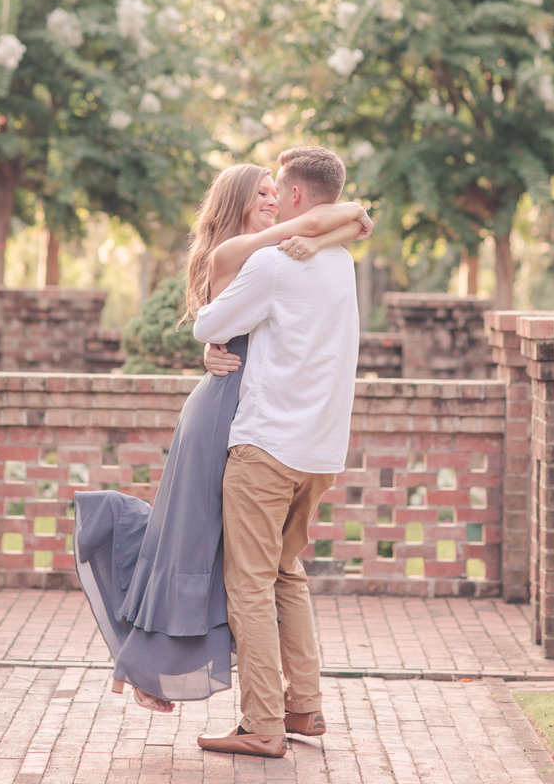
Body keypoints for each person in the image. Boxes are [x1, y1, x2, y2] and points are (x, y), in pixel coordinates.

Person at [72, 161, 371, 713]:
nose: (272, 201)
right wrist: (327, 225)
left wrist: (327, 229)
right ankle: (157, 671)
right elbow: (211, 323)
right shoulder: (255, 255)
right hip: (228, 415)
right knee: (191, 545)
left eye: (276, 192)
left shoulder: (293, 254)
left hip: (259, 423)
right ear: (237, 203)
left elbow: (345, 220)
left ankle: (277, 711)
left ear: (295, 194)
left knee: (243, 567)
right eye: (260, 194)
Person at [192, 146, 361, 759]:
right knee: (287, 574)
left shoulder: (272, 262)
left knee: (249, 587)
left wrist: (209, 341)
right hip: (320, 453)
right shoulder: (340, 260)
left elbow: (208, 325)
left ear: (293, 197)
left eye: (277, 190)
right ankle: (304, 708)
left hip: (266, 448)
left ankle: (262, 725)